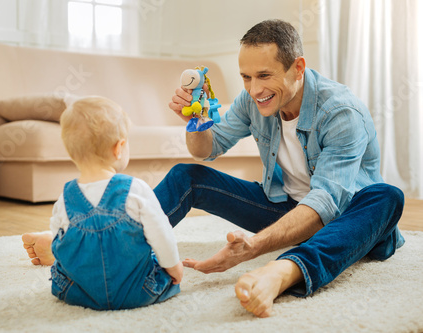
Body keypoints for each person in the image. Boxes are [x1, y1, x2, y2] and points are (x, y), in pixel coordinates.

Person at [163, 19, 404, 317]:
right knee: (186, 176)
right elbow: (207, 149)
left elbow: (325, 204)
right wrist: (196, 120)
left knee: (388, 196)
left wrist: (252, 247)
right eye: (246, 77)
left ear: (298, 68)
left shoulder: (340, 112)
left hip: (348, 219)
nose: (254, 89)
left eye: (264, 75)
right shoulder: (252, 100)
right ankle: (120, 241)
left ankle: (283, 271)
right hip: (289, 209)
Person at [24, 96, 182, 310]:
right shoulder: (136, 189)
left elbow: (61, 244)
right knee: (153, 253)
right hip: (139, 292)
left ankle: (54, 257)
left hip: (77, 292)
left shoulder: (65, 197)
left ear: (73, 154)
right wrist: (174, 267)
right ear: (119, 148)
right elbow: (162, 235)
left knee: (64, 247)